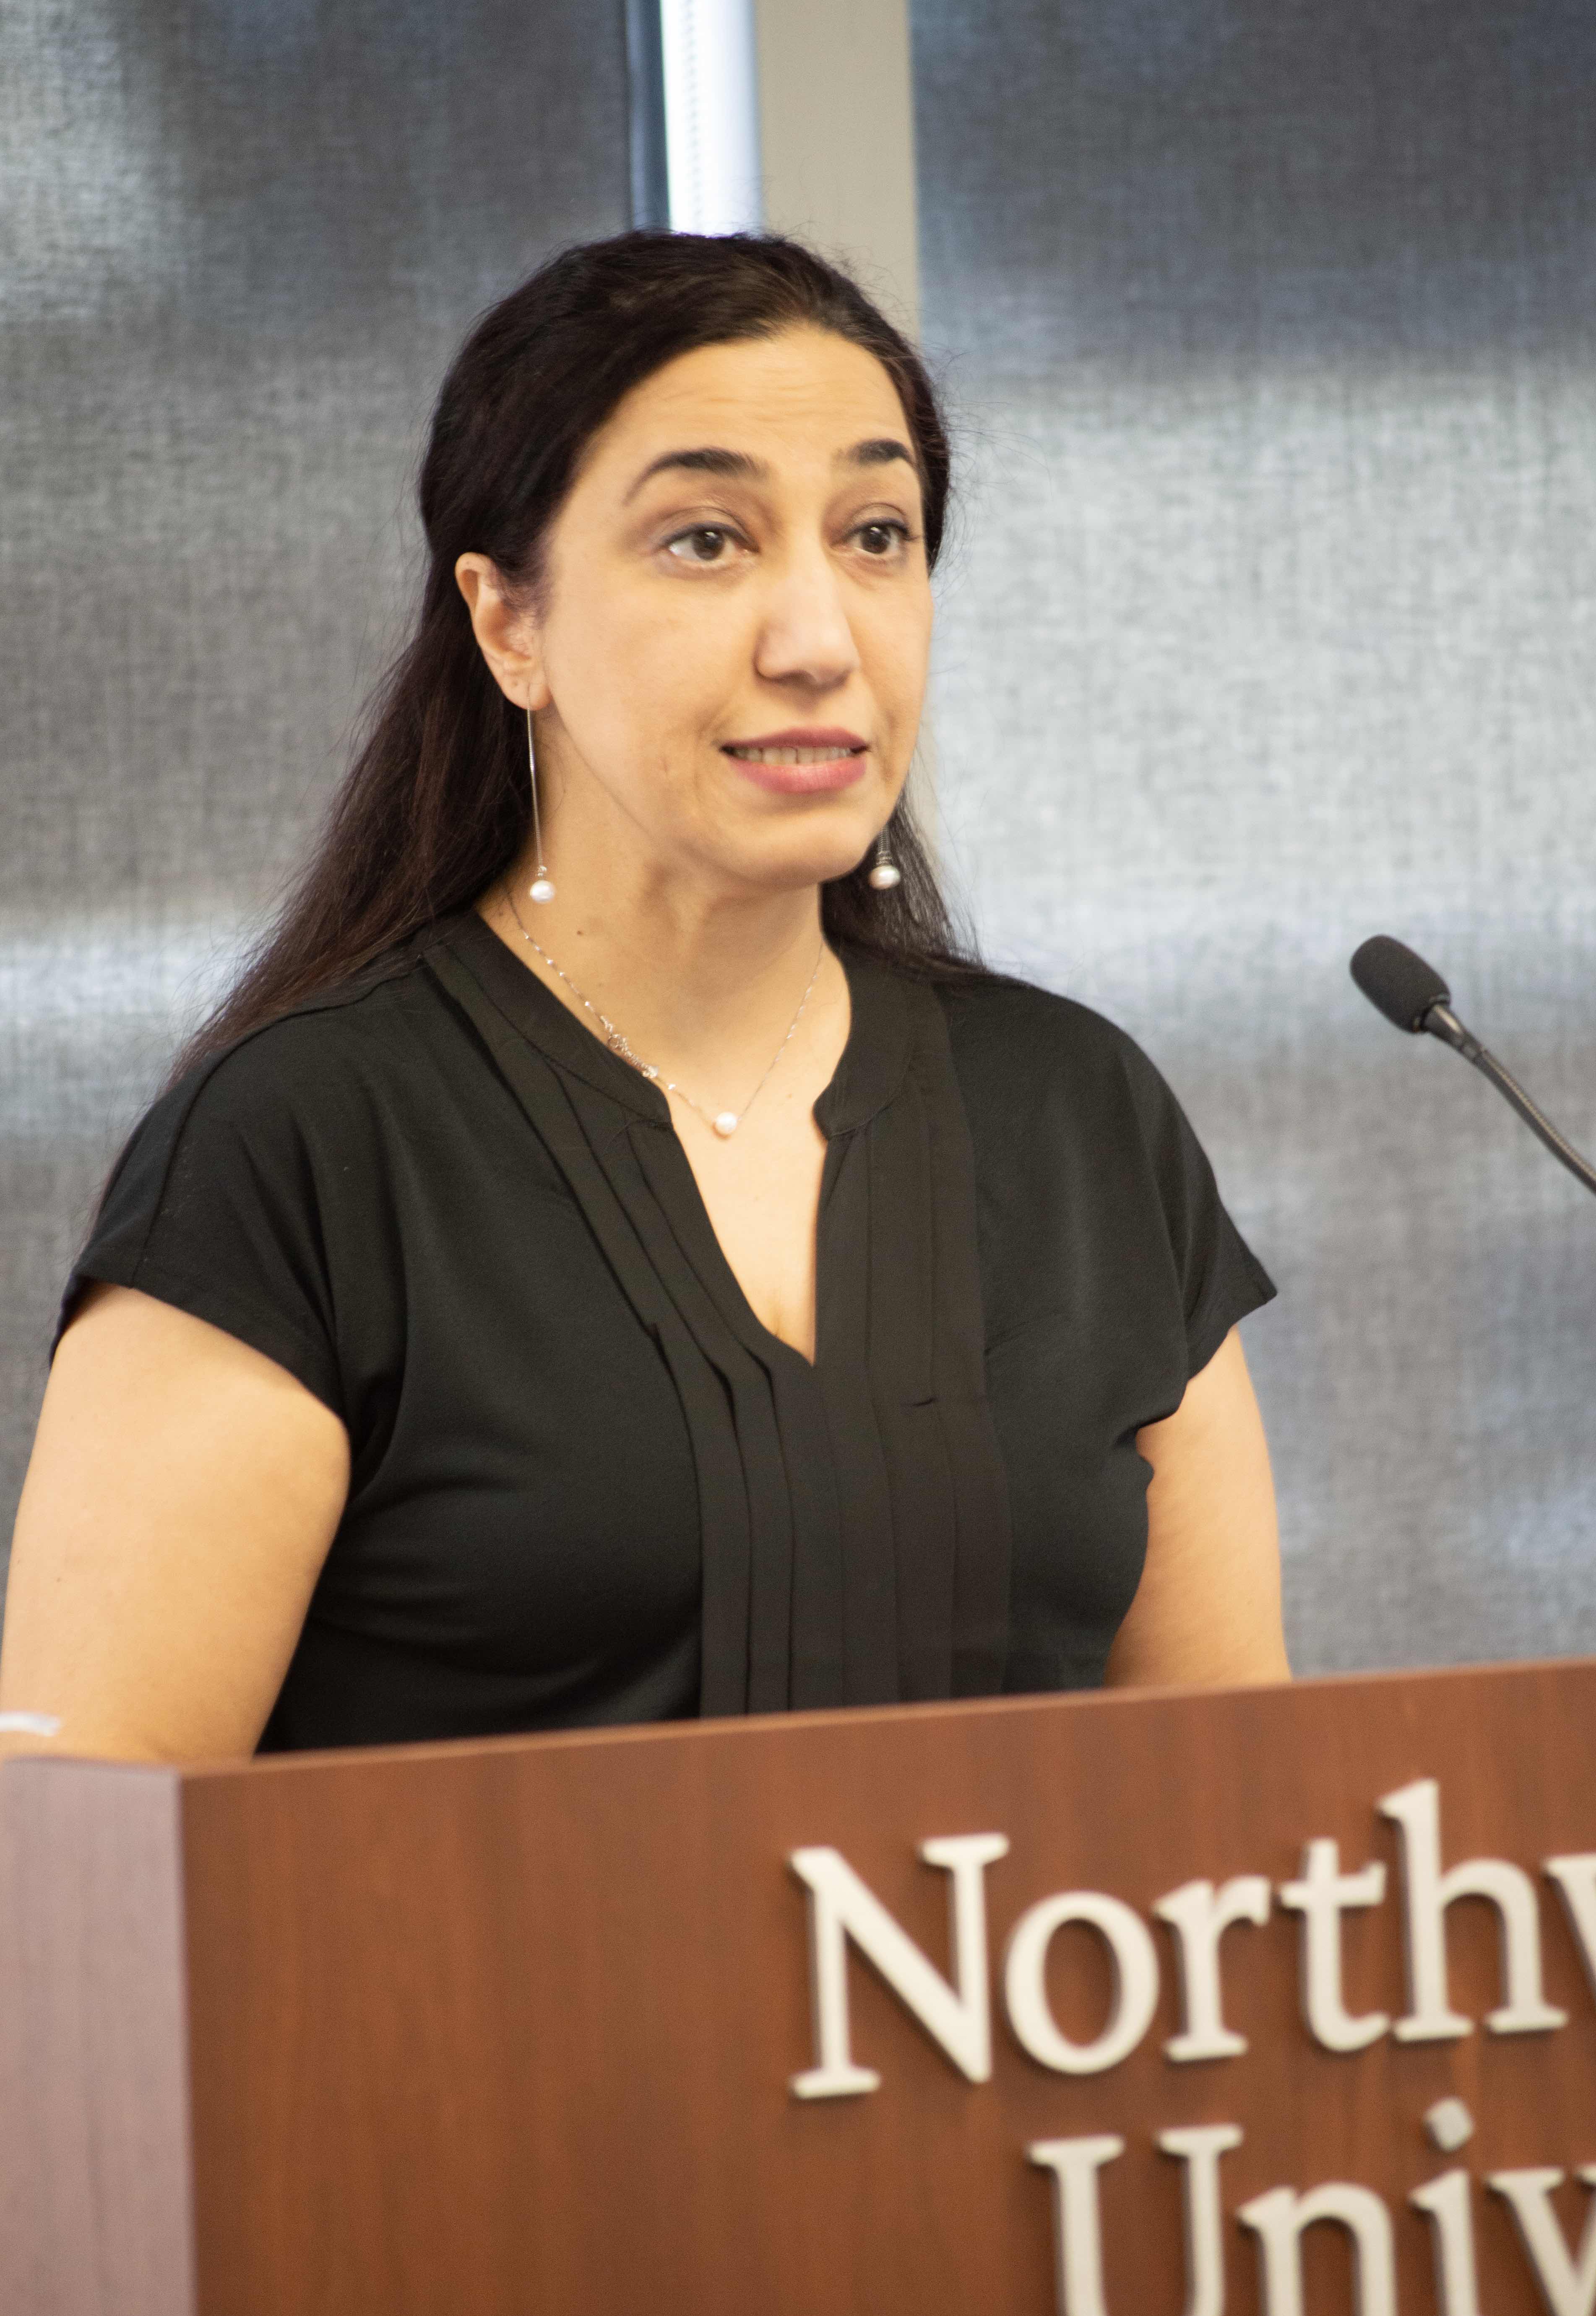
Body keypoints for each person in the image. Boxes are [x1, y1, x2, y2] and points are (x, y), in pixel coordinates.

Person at [0, 232, 1288, 1767]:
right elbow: (80, 1897)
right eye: (706, 541)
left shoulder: (1078, 1112)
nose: (820, 641)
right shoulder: (302, 1145)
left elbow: (1236, 1828)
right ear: (508, 624)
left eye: (877, 534)